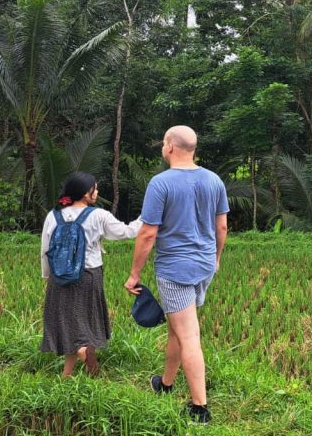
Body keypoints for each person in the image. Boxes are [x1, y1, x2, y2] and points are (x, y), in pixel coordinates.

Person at [124, 125, 228, 424]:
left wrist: (134, 274)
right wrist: (216, 259)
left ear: (170, 146)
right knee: (177, 326)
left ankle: (200, 408)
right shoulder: (213, 180)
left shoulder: (161, 183)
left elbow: (147, 234)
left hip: (175, 269)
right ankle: (166, 384)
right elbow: (222, 227)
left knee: (189, 335)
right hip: (204, 265)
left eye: (163, 143)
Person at [40, 172, 142, 377]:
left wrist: (48, 276)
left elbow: (45, 248)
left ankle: (68, 374)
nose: (96, 192)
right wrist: (146, 218)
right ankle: (82, 351)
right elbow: (127, 232)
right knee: (87, 321)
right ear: (86, 194)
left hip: (59, 276)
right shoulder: (98, 215)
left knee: (68, 322)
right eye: (94, 188)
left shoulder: (54, 214)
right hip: (88, 275)